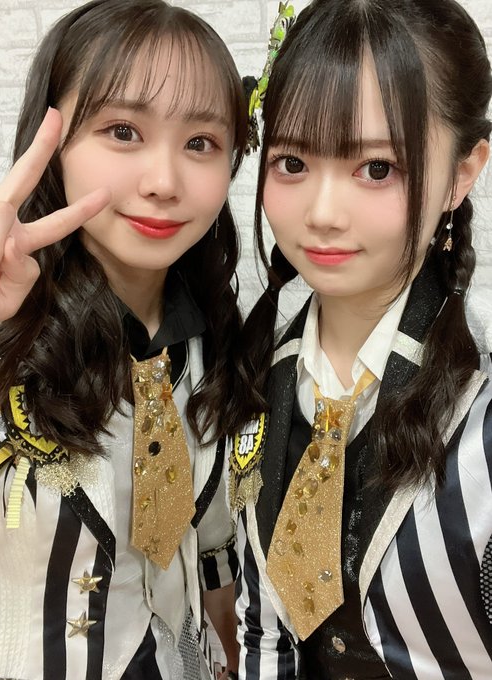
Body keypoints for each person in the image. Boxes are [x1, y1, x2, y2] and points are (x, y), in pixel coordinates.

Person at [0, 0, 250, 678]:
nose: (163, 183)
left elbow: (210, 544)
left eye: (200, 142)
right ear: (52, 144)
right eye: (123, 131)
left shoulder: (215, 343)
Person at [230, 0, 492, 677]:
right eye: (292, 161)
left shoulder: (482, 419)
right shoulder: (255, 380)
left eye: (377, 168)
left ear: (463, 172)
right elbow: (261, 627)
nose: (321, 213)